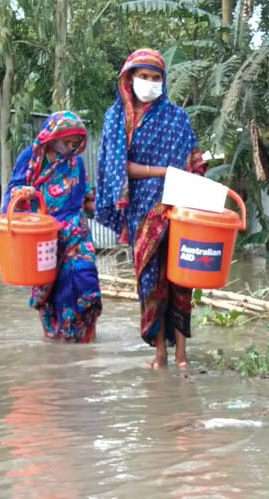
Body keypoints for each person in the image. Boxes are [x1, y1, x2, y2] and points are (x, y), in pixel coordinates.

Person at [95, 48, 207, 369]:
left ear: (164, 81)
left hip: (180, 208)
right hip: (143, 211)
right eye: (143, 76)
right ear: (129, 78)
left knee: (182, 279)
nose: (149, 82)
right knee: (151, 283)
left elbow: (194, 162)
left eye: (156, 77)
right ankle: (160, 354)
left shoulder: (177, 117)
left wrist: (191, 172)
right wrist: (163, 171)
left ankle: (182, 356)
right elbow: (118, 169)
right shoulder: (117, 119)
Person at [2, 111, 102, 342]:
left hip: (75, 232)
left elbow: (86, 198)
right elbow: (13, 194)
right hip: (43, 236)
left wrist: (111, 210)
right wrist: (24, 193)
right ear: (52, 136)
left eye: (75, 144)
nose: (70, 147)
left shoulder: (76, 162)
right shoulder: (31, 158)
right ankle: (56, 348)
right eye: (67, 142)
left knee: (84, 278)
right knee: (49, 291)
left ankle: (87, 345)